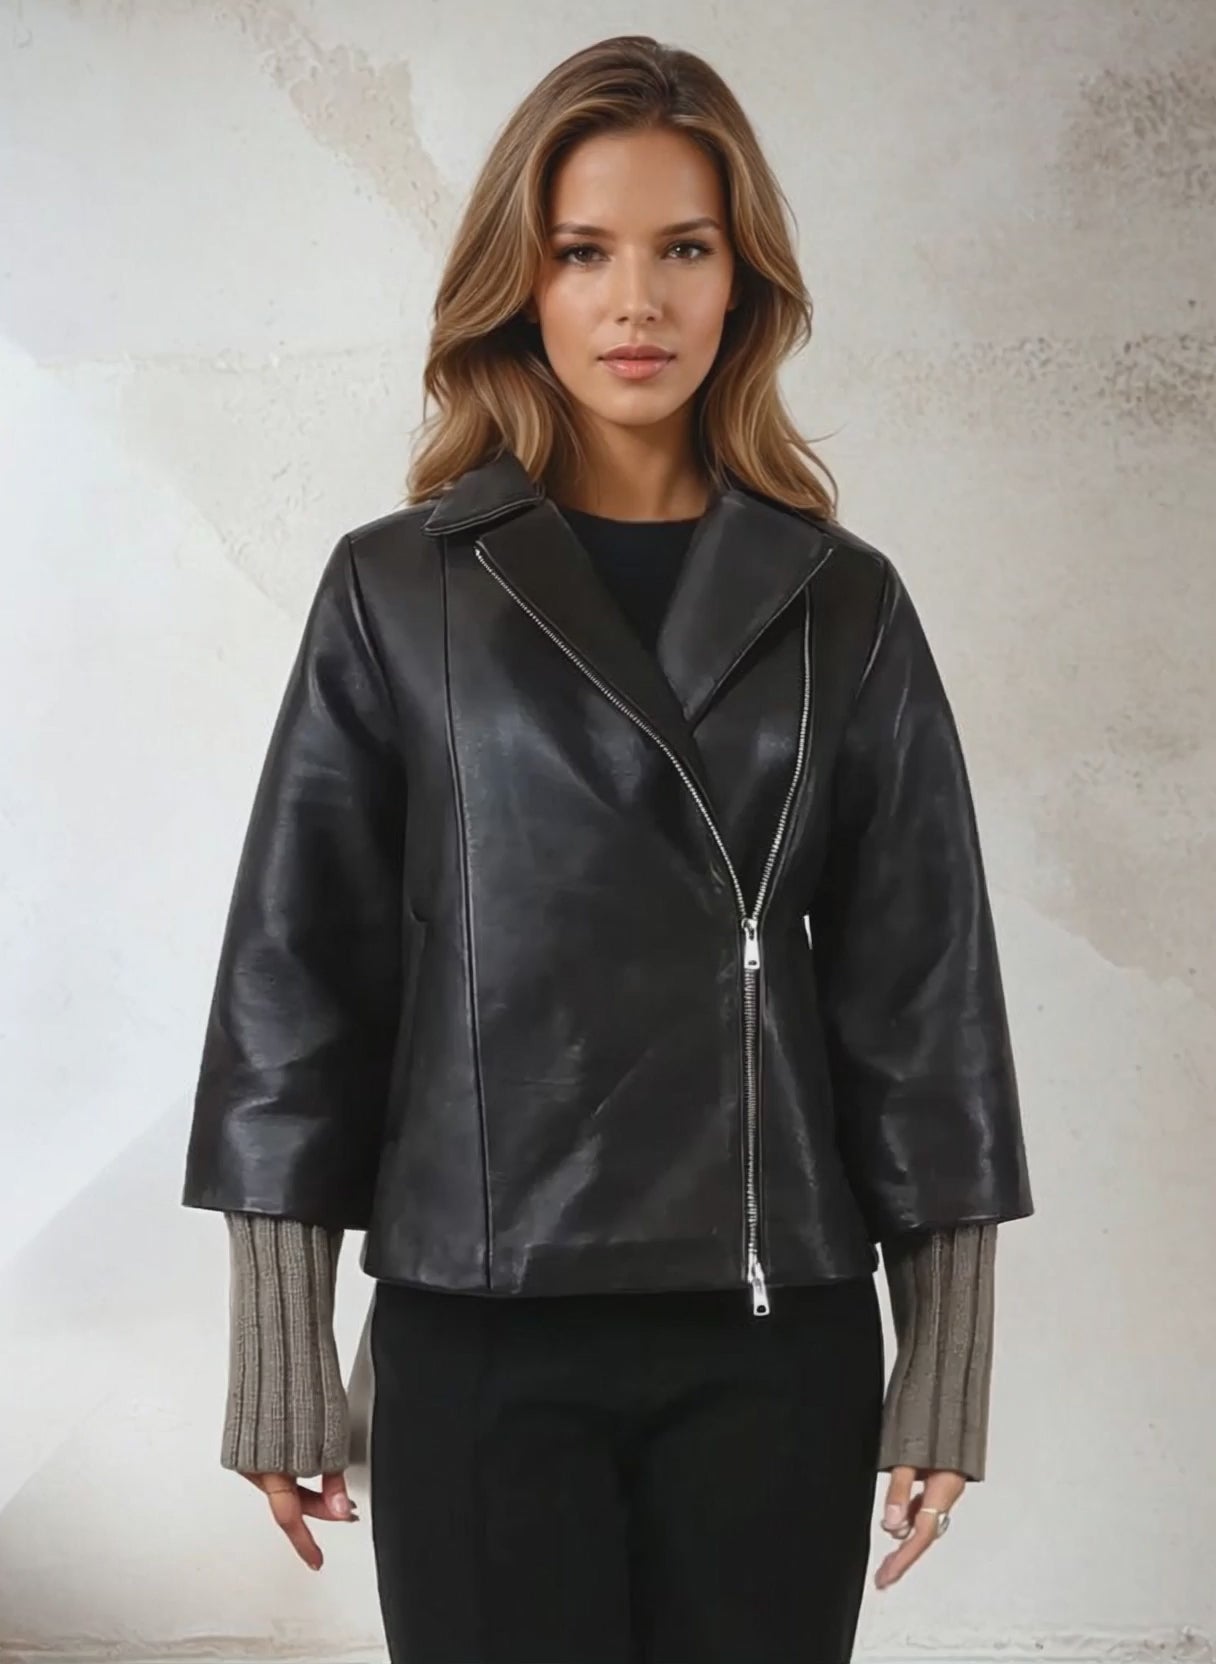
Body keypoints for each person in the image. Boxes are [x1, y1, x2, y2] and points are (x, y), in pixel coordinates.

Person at [181, 33, 1034, 1664]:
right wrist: (281, 1348)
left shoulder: (841, 605)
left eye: (682, 249)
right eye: (584, 251)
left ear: (742, 281)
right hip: (478, 1328)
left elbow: (923, 1000)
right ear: (523, 279)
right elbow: (297, 976)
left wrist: (944, 1356)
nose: (635, 301)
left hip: (772, 1334)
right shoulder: (399, 592)